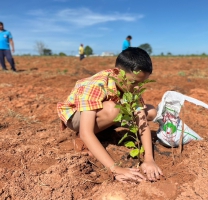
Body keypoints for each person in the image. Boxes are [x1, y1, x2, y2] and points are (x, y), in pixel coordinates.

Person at [57, 47, 163, 183]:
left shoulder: (131, 85)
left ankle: (103, 131)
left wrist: (149, 159)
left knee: (150, 111)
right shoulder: (95, 85)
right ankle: (83, 141)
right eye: (134, 82)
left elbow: (141, 119)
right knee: (113, 109)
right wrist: (115, 169)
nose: (137, 87)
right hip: (76, 118)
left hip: (106, 111)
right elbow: (86, 131)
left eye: (141, 83)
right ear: (117, 72)